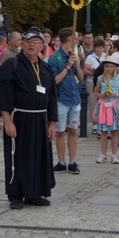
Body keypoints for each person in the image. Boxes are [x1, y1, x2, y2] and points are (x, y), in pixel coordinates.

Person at [0, 27, 57, 210]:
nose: (32, 45)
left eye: (36, 41)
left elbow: (52, 95)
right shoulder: (11, 65)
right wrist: (7, 121)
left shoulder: (45, 67)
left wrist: (52, 122)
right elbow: (3, 95)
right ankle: (15, 194)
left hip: (40, 119)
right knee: (18, 156)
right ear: (22, 44)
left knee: (38, 157)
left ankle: (34, 193)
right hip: (19, 118)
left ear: (42, 46)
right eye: (28, 41)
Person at [49, 27, 83, 175]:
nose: (78, 40)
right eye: (75, 38)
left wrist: (76, 64)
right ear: (69, 40)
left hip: (75, 98)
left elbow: (81, 78)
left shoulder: (73, 55)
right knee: (60, 132)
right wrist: (67, 66)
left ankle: (73, 162)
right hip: (61, 99)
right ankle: (61, 162)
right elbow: (54, 81)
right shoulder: (54, 57)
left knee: (73, 130)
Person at [93, 56, 119, 164]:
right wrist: (101, 95)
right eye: (107, 66)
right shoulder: (100, 78)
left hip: (113, 106)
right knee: (103, 132)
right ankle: (103, 154)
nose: (109, 69)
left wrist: (116, 94)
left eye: (111, 66)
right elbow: (96, 91)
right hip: (104, 105)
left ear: (115, 68)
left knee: (114, 131)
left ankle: (114, 155)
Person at [84, 37, 106, 135]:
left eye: (100, 47)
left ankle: (102, 124)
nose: (98, 49)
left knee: (103, 103)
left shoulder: (106, 57)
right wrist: (94, 73)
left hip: (104, 82)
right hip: (91, 82)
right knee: (92, 103)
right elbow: (85, 70)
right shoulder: (90, 57)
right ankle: (95, 125)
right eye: (96, 47)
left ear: (103, 48)